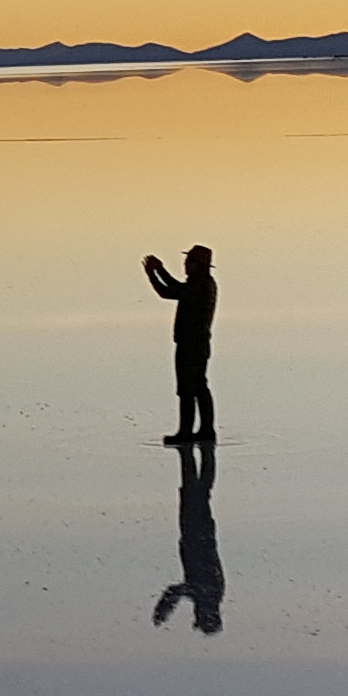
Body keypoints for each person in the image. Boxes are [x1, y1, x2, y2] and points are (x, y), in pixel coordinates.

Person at [143, 244, 220, 443]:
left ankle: (188, 432)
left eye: (190, 261)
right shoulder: (202, 283)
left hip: (192, 344)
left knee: (189, 388)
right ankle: (205, 430)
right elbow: (176, 288)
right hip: (196, 343)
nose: (185, 264)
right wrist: (158, 270)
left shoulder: (200, 285)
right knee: (198, 386)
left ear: (199, 265)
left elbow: (169, 292)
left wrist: (153, 273)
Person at [152, 432, 225, 635]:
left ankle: (197, 449)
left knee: (196, 490)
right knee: (198, 492)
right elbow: (182, 589)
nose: (196, 616)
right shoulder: (210, 594)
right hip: (198, 536)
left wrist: (164, 609)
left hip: (195, 536)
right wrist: (163, 610)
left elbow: (181, 590)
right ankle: (201, 447)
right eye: (199, 619)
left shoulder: (210, 594)